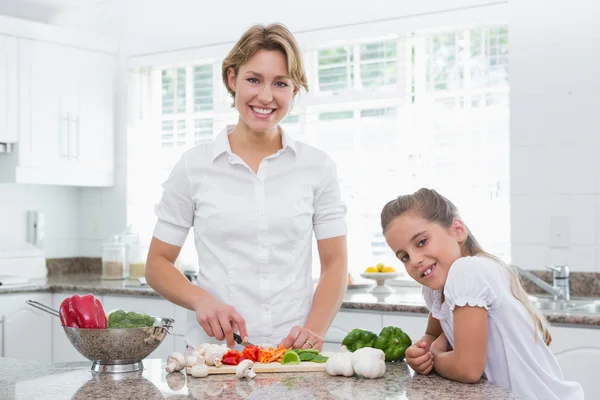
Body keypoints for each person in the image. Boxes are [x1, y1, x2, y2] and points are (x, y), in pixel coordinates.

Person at [145, 23, 348, 352]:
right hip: (214, 356)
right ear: (231, 79)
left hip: (294, 359)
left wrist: (313, 331)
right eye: (254, 79)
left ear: (294, 91)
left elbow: (336, 263)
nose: (265, 96)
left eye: (280, 83)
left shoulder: (318, 168)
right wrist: (202, 301)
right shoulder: (193, 167)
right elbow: (157, 263)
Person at [380, 188, 583, 400]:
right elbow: (432, 335)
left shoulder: (467, 271)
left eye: (422, 242)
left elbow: (467, 369)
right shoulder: (437, 288)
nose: (414, 260)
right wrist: (419, 354)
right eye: (404, 256)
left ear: (458, 230)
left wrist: (435, 357)